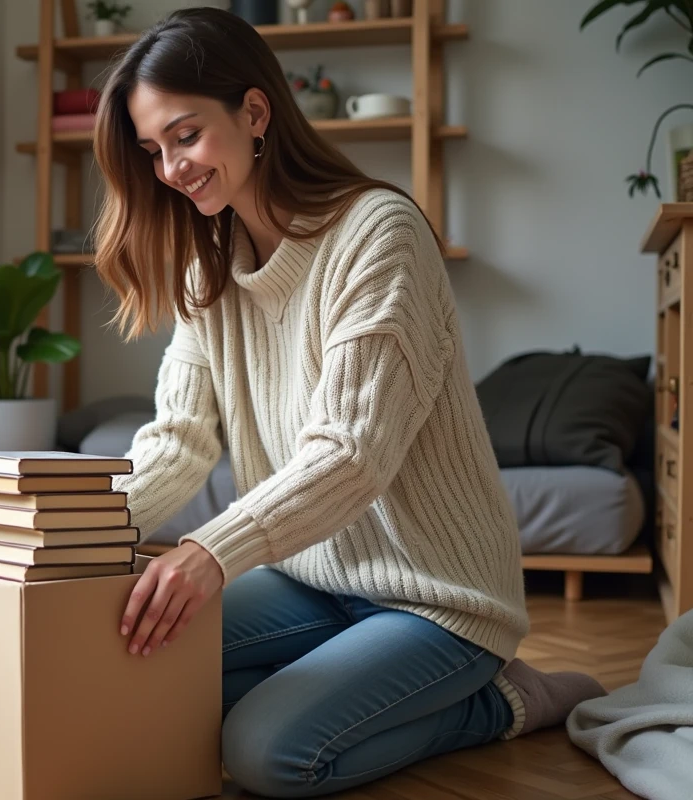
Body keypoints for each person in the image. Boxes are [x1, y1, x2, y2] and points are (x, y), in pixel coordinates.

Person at [94, 7, 605, 798]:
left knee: (266, 754)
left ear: (255, 111)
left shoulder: (378, 232)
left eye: (186, 136)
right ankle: (344, 682)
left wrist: (208, 552)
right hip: (310, 576)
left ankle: (503, 699)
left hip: (435, 596)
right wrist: (69, 535)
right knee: (129, 676)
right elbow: (177, 441)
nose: (169, 169)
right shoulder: (211, 270)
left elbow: (350, 454)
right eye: (154, 150)